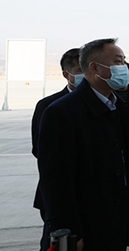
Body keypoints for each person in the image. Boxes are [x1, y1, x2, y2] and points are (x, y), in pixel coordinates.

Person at [37, 38, 129, 251]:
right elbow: (56, 180)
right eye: (117, 62)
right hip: (87, 224)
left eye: (123, 61)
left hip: (115, 220)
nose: (123, 67)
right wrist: (69, 230)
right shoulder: (61, 112)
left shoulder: (119, 106)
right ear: (94, 67)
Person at [31, 47, 82, 251]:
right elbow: (40, 150)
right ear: (66, 74)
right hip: (59, 196)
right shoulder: (49, 106)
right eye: (79, 71)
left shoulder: (106, 103)